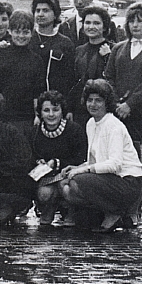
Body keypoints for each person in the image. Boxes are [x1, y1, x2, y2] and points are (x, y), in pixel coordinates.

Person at [103, 1, 142, 221]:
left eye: (140, 21)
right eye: (131, 21)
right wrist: (115, 103)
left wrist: (131, 104)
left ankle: (135, 210)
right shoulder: (118, 48)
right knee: (120, 164)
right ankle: (119, 209)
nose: (135, 25)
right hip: (119, 115)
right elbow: (109, 77)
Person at [60, 79, 142, 231]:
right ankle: (104, 212)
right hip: (108, 179)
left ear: (107, 103)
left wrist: (82, 171)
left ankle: (116, 212)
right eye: (90, 100)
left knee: (76, 182)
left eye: (98, 100)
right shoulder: (91, 123)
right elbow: (94, 161)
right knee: (64, 185)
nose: (93, 104)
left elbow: (115, 165)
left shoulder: (113, 125)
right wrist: (77, 167)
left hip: (127, 181)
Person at [31, 90, 87, 226]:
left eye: (55, 110)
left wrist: (57, 163)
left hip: (69, 175)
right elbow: (30, 156)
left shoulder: (74, 130)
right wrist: (38, 162)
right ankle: (49, 207)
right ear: (40, 113)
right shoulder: (34, 132)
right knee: (44, 194)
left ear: (62, 111)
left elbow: (81, 158)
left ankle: (71, 210)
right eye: (46, 110)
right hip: (47, 178)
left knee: (67, 187)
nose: (51, 114)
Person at [0, 10, 48, 124]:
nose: (21, 36)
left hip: (26, 118)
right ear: (10, 31)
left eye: (25, 32)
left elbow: (38, 92)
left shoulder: (36, 60)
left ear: (32, 33)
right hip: (1, 117)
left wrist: (38, 115)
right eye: (17, 32)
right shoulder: (0, 54)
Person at [69, 5, 116, 128]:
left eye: (96, 23)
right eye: (88, 23)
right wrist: (70, 108)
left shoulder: (114, 49)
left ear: (104, 26)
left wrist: (108, 57)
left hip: (103, 109)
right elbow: (73, 81)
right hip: (80, 108)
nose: (91, 27)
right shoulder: (79, 50)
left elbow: (113, 79)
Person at [33, 0, 76, 97]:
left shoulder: (65, 43)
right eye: (37, 11)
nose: (40, 14)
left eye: (45, 10)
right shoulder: (28, 39)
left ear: (55, 14)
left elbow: (70, 78)